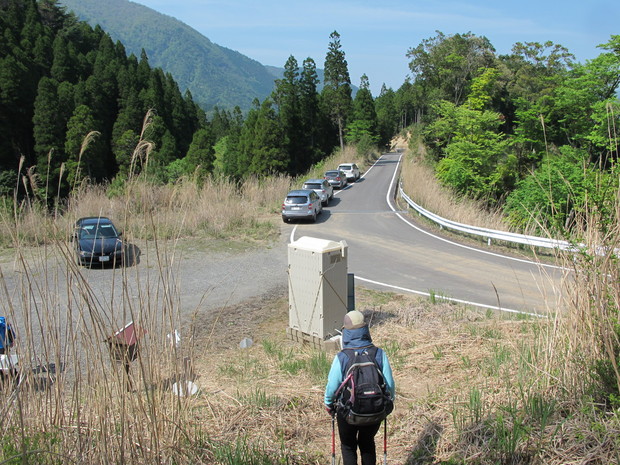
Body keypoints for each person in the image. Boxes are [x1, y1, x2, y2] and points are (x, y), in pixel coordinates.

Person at [324, 310, 395, 465]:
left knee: (348, 446)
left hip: (348, 412)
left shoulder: (342, 357)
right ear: (365, 330)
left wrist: (329, 405)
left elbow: (332, 388)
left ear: (346, 332)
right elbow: (389, 386)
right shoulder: (378, 354)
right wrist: (388, 403)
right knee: (367, 443)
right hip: (375, 409)